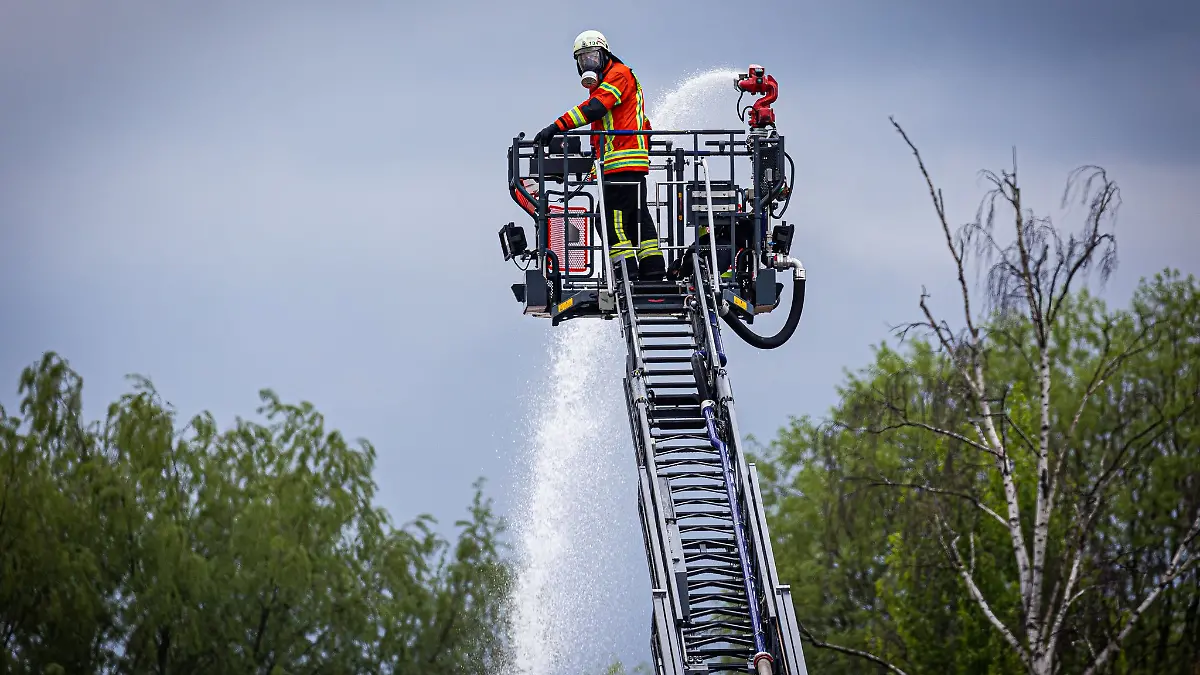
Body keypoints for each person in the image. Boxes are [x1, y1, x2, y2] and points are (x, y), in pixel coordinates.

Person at [532, 30, 666, 282]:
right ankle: (654, 269)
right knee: (638, 216)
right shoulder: (615, 81)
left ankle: (626, 272)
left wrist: (556, 127)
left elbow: (594, 110)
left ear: (604, 55)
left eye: (592, 57)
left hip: (621, 162)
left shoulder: (618, 75)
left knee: (609, 219)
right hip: (629, 162)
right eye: (582, 60)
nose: (588, 64)